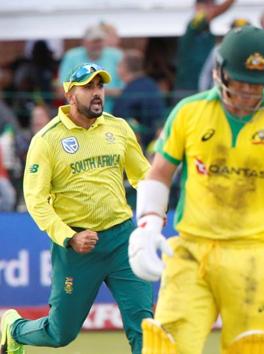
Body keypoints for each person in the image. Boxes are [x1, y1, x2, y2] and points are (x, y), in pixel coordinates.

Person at [127, 26, 264, 354]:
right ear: (220, 74)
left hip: (251, 256)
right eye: (242, 83)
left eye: (258, 86)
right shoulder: (190, 112)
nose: (249, 94)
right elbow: (159, 173)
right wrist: (148, 225)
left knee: (250, 348)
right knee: (166, 346)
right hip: (190, 249)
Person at [0, 63, 153, 354]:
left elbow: (143, 177)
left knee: (143, 325)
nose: (97, 93)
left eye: (100, 86)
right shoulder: (47, 140)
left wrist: (149, 220)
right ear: (71, 94)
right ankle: (14, 328)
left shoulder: (118, 128)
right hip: (77, 247)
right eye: (88, 87)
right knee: (60, 333)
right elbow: (35, 199)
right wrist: (69, 237)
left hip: (122, 240)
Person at [173, 0, 235, 97]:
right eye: (207, 5)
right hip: (187, 89)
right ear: (197, 7)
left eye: (212, 5)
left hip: (204, 88)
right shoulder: (194, 23)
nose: (211, 8)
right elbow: (214, 13)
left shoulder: (207, 30)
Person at [58, 25, 124, 112]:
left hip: (112, 113)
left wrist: (92, 91)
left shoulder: (116, 55)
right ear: (85, 42)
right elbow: (61, 89)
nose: (98, 44)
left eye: (100, 40)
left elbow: (126, 90)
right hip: (79, 114)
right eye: (94, 41)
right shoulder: (71, 56)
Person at [113, 49, 167, 148]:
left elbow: (119, 117)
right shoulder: (151, 84)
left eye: (119, 65)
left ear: (125, 68)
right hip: (156, 140)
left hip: (138, 144)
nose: (117, 69)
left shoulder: (129, 92)